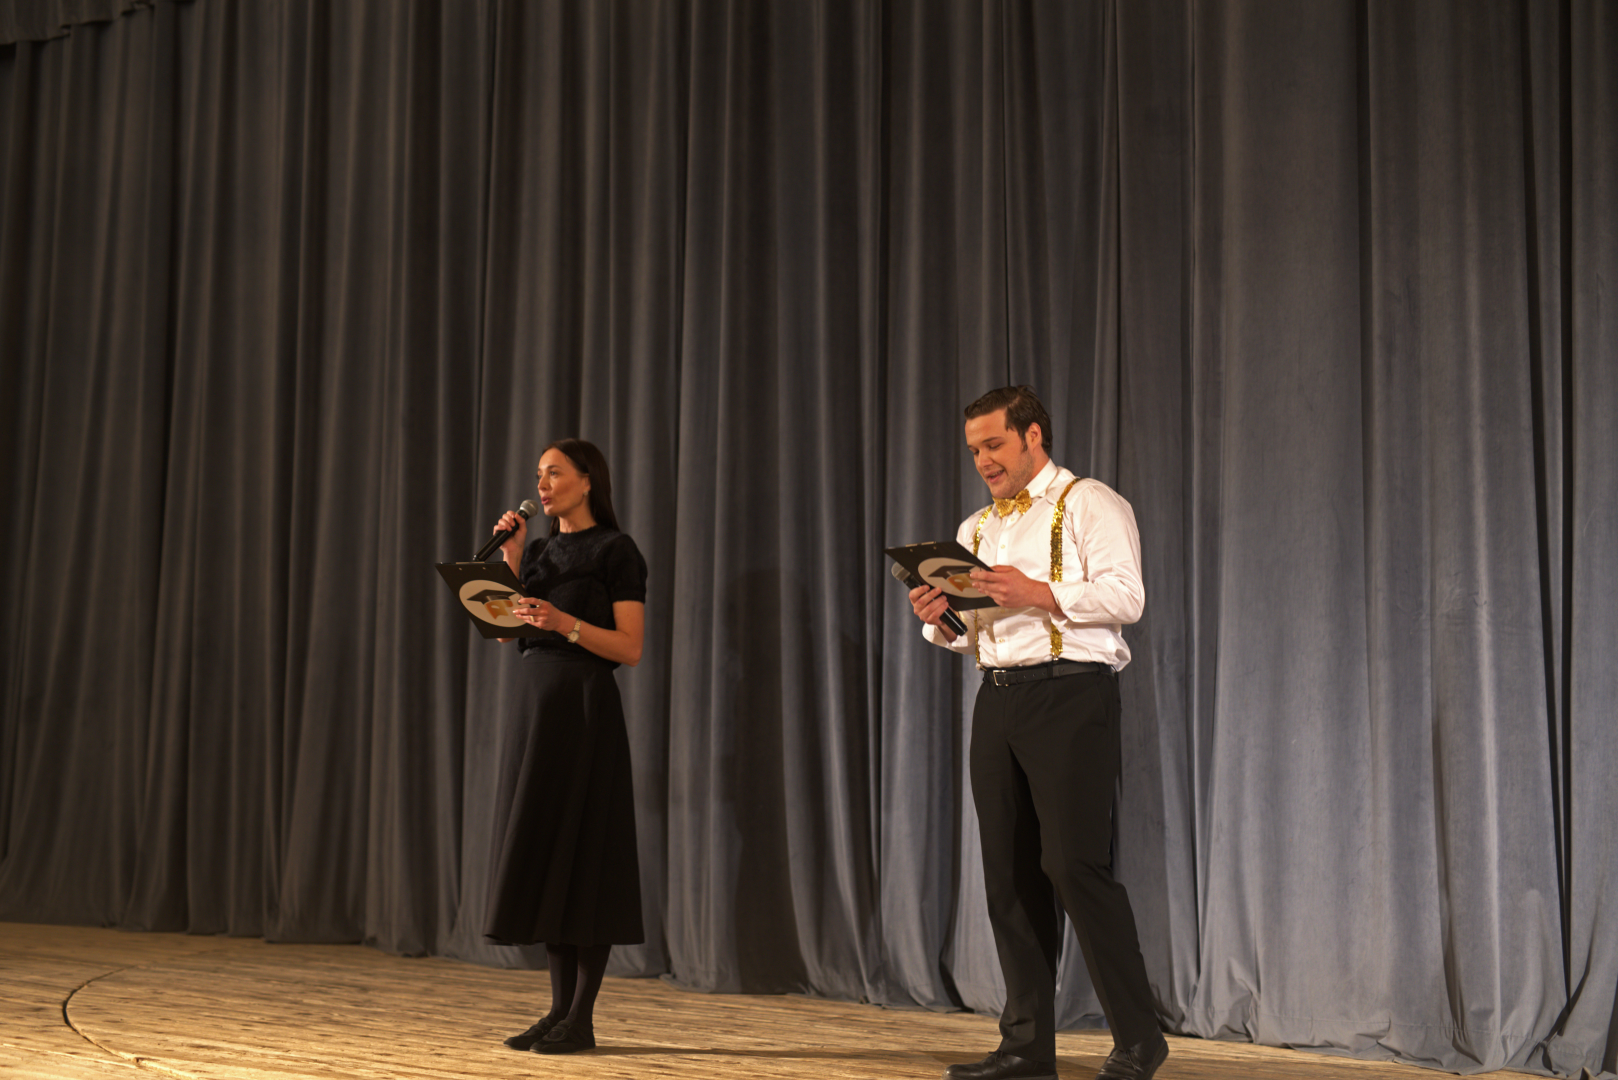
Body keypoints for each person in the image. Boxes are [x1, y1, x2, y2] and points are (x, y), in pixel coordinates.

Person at [908, 387, 1167, 1080]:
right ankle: (1026, 1047)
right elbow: (971, 635)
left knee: (1074, 867)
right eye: (974, 450)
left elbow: (1128, 597)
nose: (983, 461)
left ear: (1032, 436)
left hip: (1071, 695)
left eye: (994, 444)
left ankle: (1140, 1037)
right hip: (998, 700)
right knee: (1010, 877)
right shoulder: (974, 527)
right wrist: (938, 617)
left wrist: (1039, 591)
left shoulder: (1089, 502)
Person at [484, 438, 647, 1056]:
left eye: (554, 474)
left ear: (587, 480)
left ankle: (581, 1017)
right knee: (550, 851)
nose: (542, 485)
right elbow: (507, 634)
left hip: (583, 708)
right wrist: (512, 557)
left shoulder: (616, 550)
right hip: (537, 709)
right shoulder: (540, 550)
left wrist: (565, 624)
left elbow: (630, 647)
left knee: (585, 856)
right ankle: (556, 1011)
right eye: (538, 475)